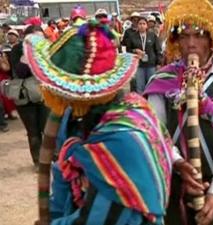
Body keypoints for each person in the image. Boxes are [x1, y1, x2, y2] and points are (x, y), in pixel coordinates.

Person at [24, 19, 173, 224]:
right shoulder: (73, 117)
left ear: (77, 95)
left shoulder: (124, 138)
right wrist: (55, 214)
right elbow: (61, 173)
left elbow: (100, 219)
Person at [144, 0, 213, 224]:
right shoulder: (161, 81)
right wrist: (179, 164)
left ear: (211, 39)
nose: (191, 44)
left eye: (199, 35)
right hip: (174, 181)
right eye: (184, 35)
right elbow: (156, 134)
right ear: (175, 41)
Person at [8, 25, 49, 167]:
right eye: (35, 37)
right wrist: (28, 54)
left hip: (44, 95)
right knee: (33, 131)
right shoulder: (17, 49)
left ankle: (52, 158)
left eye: (41, 37)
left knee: (48, 128)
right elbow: (20, 72)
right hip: (26, 97)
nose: (39, 40)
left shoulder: (46, 50)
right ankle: (38, 161)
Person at [125, 17, 162, 93]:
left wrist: (159, 63)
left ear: (146, 25)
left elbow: (158, 50)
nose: (142, 25)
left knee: (152, 85)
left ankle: (151, 103)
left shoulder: (152, 36)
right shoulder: (132, 37)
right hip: (139, 65)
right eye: (140, 24)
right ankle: (141, 103)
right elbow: (128, 50)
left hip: (151, 64)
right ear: (137, 25)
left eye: (144, 24)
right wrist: (135, 50)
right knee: (140, 86)